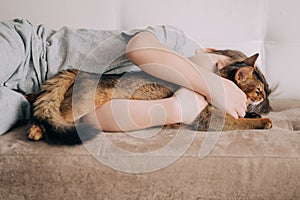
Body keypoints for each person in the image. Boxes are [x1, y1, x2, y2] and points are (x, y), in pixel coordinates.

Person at [0, 19, 247, 135]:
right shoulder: (175, 41)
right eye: (218, 68)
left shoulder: (180, 94)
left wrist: (175, 109)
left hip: (29, 101)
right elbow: (140, 50)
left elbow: (97, 116)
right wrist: (214, 84)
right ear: (209, 51)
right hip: (29, 51)